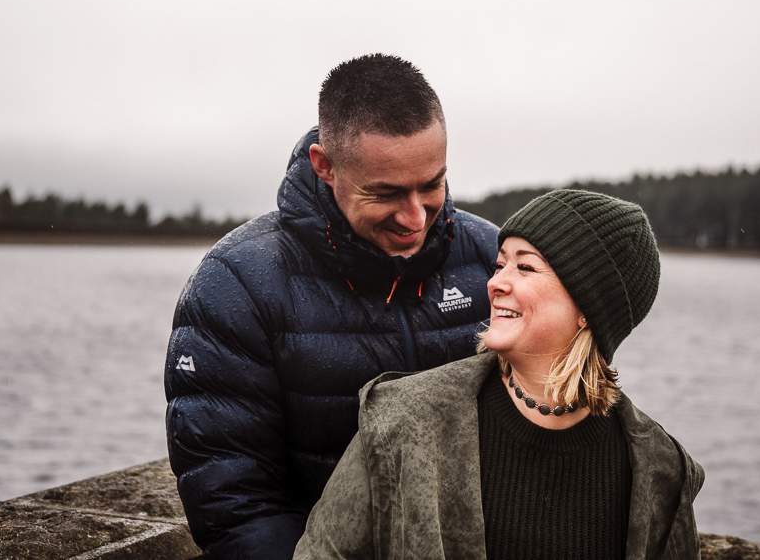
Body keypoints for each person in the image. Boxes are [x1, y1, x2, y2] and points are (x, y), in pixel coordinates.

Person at [165, 54, 499, 559]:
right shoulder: (236, 287)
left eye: (432, 184)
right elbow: (237, 507)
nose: (415, 217)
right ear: (325, 167)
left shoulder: (494, 260)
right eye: (385, 192)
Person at [295, 189, 704, 560]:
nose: (495, 283)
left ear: (587, 310)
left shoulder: (660, 471)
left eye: (524, 268)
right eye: (499, 263)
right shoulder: (401, 420)